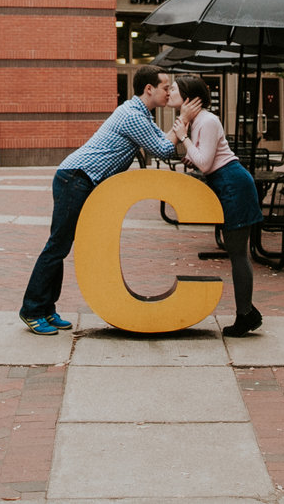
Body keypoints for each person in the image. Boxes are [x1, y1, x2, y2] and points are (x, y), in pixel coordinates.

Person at [19, 64, 197, 334]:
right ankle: (32, 310)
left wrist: (182, 141)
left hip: (78, 179)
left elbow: (163, 144)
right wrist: (183, 119)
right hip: (75, 179)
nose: (168, 91)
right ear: (149, 89)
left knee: (61, 245)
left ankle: (46, 309)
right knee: (57, 246)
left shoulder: (141, 114)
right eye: (164, 87)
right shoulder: (132, 116)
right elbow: (162, 148)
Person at [170, 74, 265, 337]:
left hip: (233, 184)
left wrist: (183, 137)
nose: (169, 92)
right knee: (235, 250)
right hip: (225, 183)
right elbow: (204, 160)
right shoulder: (200, 121)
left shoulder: (208, 121)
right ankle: (247, 312)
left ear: (189, 95)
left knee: (237, 252)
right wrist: (191, 148)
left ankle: (246, 315)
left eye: (174, 88)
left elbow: (204, 163)